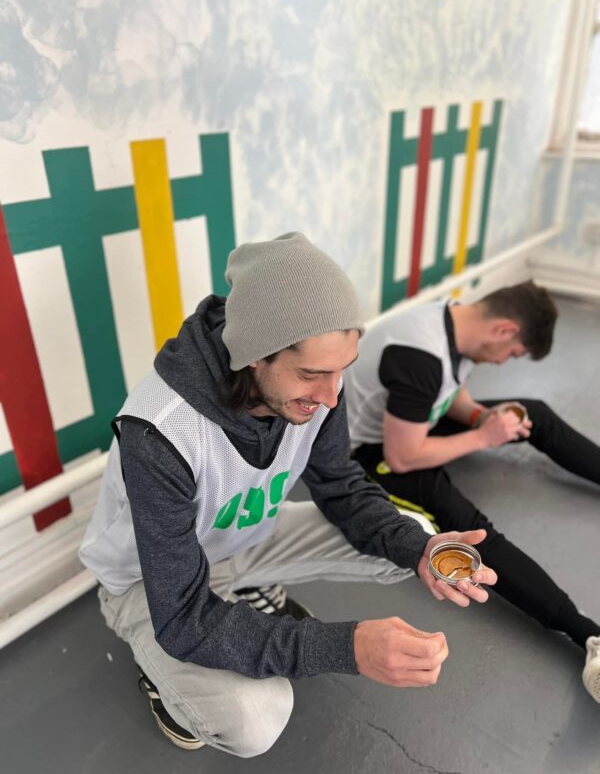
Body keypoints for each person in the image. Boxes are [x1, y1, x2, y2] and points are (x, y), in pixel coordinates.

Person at [79, 232, 497, 756]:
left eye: (342, 368)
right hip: (147, 584)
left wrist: (421, 552)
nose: (329, 396)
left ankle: (244, 599)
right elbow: (184, 619)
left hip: (238, 540)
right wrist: (348, 648)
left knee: (415, 538)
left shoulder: (321, 388)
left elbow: (341, 487)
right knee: (255, 721)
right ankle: (166, 684)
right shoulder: (159, 435)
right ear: (254, 356)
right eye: (311, 374)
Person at [343, 280, 600, 703]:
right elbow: (404, 457)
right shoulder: (419, 357)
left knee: (531, 414)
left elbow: (448, 390)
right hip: (370, 454)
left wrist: (482, 417)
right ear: (504, 329)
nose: (505, 362)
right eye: (513, 354)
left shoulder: (454, 318)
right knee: (471, 533)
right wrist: (484, 438)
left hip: (413, 423)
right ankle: (587, 634)